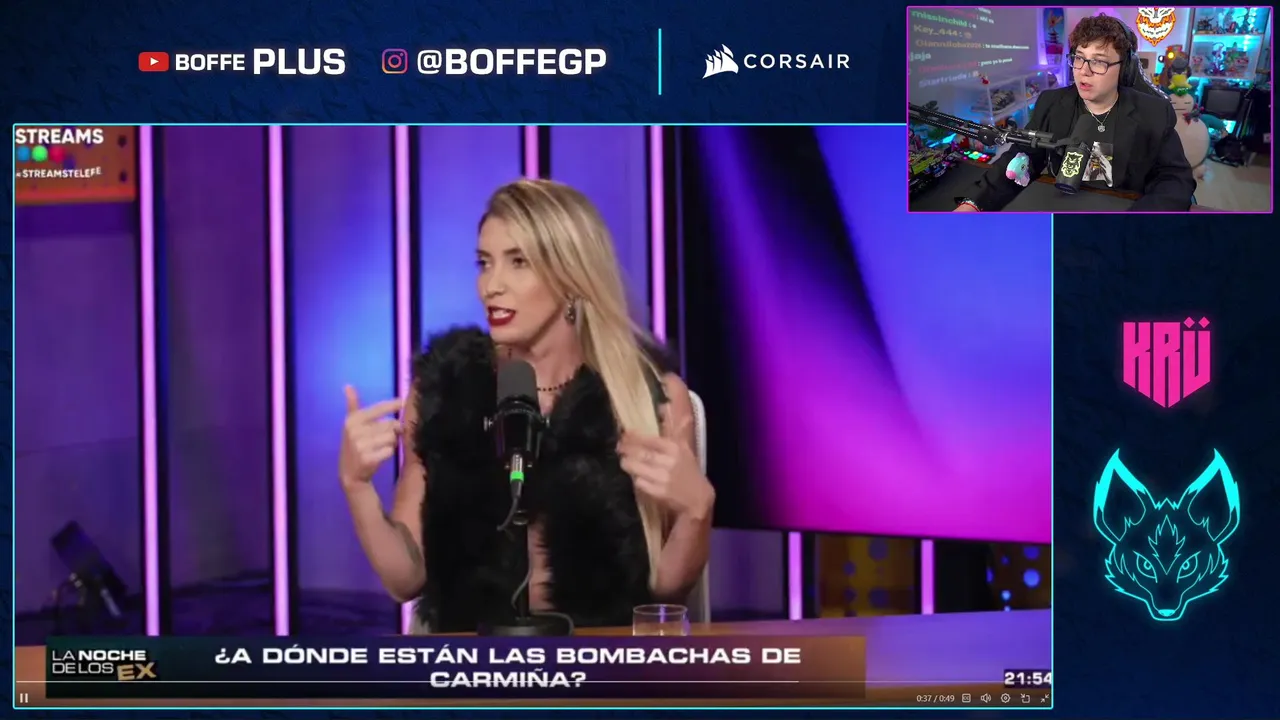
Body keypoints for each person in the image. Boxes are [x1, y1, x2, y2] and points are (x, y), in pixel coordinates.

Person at [338, 179, 715, 633]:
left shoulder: (648, 400)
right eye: (484, 263)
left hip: (601, 661)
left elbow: (667, 593)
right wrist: (357, 486)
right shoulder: (446, 391)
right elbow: (405, 579)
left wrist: (696, 510)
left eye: (518, 262)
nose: (491, 286)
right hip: (474, 661)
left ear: (570, 275)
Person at [955, 15, 1195, 212]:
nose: (1083, 71)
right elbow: (1021, 157)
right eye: (1079, 58)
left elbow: (1174, 178)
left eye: (1098, 62)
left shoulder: (1153, 112)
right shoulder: (1052, 103)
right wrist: (974, 203)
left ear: (1125, 69)